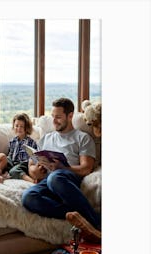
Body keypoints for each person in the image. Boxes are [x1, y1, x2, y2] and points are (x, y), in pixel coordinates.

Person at [21, 98, 101, 242]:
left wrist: (63, 167)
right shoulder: (46, 138)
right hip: (47, 180)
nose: (54, 121)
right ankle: (79, 218)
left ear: (70, 116)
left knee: (55, 177)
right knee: (28, 197)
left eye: (58, 117)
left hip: (67, 180)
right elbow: (31, 167)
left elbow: (86, 168)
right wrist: (36, 171)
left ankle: (97, 224)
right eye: (53, 117)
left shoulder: (83, 138)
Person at [6, 113, 39, 183]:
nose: (18, 128)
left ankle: (32, 181)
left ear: (26, 128)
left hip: (24, 165)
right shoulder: (12, 141)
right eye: (16, 126)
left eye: (21, 126)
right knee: (4, 160)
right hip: (13, 163)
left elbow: (34, 159)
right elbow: (10, 155)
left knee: (14, 171)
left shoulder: (31, 142)